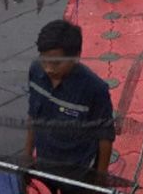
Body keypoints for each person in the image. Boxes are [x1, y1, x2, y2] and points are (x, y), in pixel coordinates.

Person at [24, 20, 115, 193]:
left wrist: (100, 179)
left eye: (56, 63)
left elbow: (105, 137)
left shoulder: (95, 89)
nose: (48, 69)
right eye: (44, 61)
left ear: (76, 56)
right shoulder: (35, 71)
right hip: (45, 164)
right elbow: (33, 116)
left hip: (79, 172)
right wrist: (27, 155)